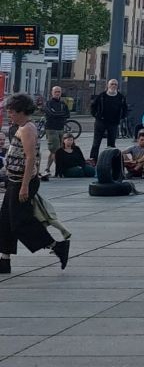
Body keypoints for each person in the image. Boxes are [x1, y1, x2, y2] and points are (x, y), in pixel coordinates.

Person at [1, 93, 69, 274]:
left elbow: (31, 158)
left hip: (23, 182)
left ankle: (57, 246)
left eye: (12, 111)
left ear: (22, 111)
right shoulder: (21, 126)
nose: (9, 115)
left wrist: (24, 186)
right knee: (6, 220)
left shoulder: (27, 129)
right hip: (13, 180)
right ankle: (4, 259)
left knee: (19, 222)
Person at [89, 79, 129, 163]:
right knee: (96, 143)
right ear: (108, 85)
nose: (113, 86)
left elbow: (125, 109)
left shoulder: (120, 97)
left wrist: (121, 117)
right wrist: (96, 116)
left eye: (115, 84)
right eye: (112, 84)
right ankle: (93, 161)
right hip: (101, 122)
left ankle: (110, 161)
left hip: (113, 123)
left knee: (111, 144)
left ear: (117, 86)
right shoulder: (102, 95)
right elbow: (93, 106)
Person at [43, 85, 70, 162]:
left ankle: (47, 169)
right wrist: (61, 114)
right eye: (55, 92)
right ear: (52, 93)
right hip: (51, 129)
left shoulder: (63, 104)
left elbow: (67, 114)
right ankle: (59, 169)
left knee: (59, 150)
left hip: (61, 128)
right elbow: (51, 114)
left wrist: (57, 114)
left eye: (59, 92)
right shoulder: (49, 103)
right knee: (55, 150)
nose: (57, 93)